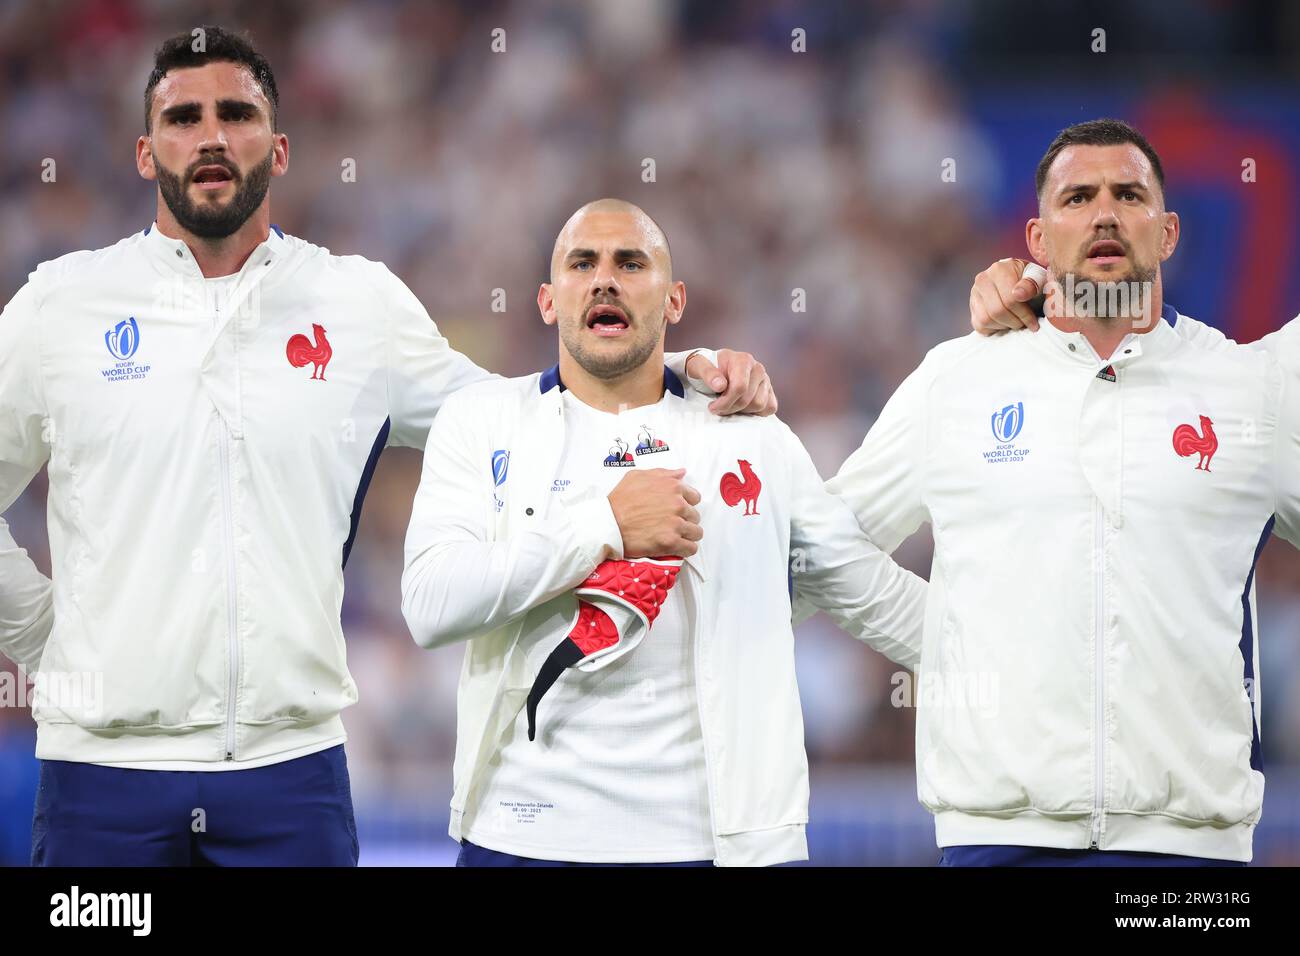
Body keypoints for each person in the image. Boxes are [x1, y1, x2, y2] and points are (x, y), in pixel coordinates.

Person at [0, 26, 775, 867]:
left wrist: (669, 369)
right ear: (147, 154)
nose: (214, 136)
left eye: (238, 113)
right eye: (185, 118)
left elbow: (523, 417)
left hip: (289, 774)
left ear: (282, 148)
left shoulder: (357, 304)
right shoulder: (62, 307)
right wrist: (52, 640)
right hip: (102, 775)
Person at [400, 198, 927, 867]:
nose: (604, 280)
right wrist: (604, 526)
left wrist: (1029, 665)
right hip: (522, 835)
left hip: (716, 843)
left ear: (675, 299)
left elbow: (873, 593)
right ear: (547, 299)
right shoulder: (479, 423)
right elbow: (431, 605)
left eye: (631, 262)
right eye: (581, 263)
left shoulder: (748, 434)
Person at [829, 118, 1300, 865]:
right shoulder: (958, 380)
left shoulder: (1254, 391)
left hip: (1189, 854)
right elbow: (824, 545)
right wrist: (942, 634)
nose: (1106, 213)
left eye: (1129, 195)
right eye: (1078, 197)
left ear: (1169, 232)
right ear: (1038, 242)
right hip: (997, 840)